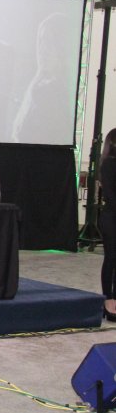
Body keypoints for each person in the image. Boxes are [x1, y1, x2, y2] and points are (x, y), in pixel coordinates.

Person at [97, 128, 116, 322]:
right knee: (111, 257)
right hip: (112, 217)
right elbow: (110, 195)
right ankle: (108, 299)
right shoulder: (109, 164)